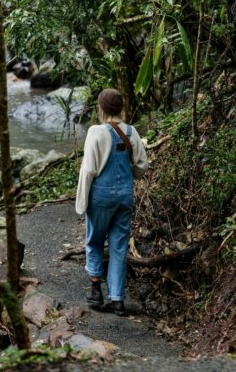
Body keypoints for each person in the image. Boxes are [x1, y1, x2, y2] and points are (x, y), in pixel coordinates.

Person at [75, 88, 148, 316]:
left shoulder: (96, 132)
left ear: (101, 108)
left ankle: (96, 290)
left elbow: (88, 170)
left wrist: (81, 201)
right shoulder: (131, 131)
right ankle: (118, 301)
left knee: (95, 240)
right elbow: (142, 165)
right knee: (119, 246)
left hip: (101, 195)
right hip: (125, 194)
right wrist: (131, 175)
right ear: (120, 108)